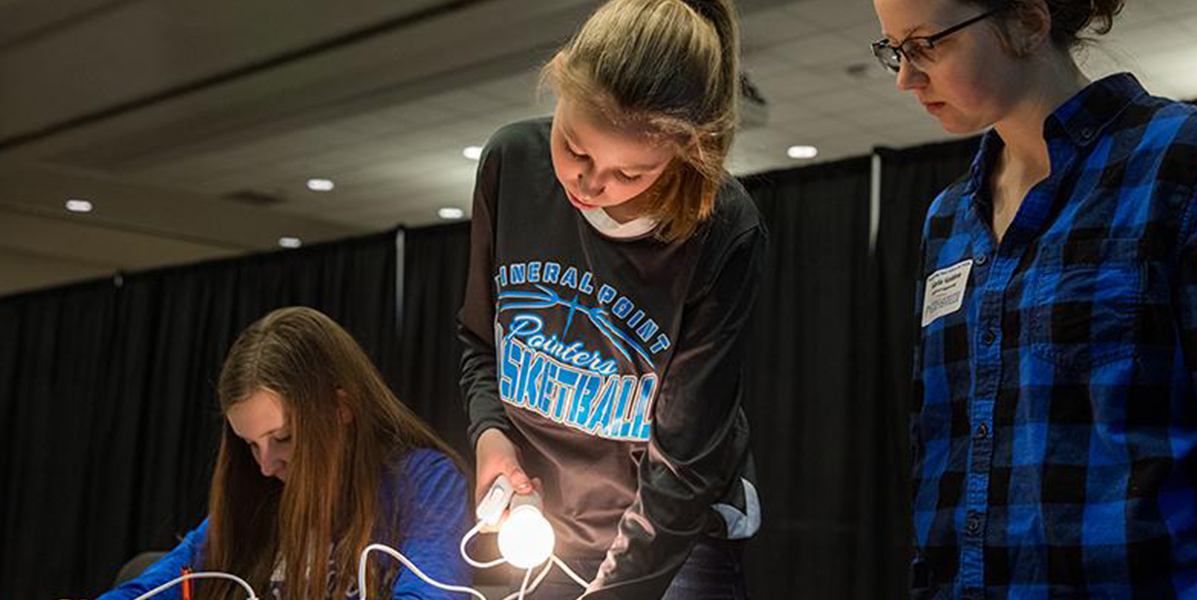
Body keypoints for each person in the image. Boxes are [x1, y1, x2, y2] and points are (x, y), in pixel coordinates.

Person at [871, 0, 1197, 596]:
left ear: (1027, 19)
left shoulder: (1177, 162)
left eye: (925, 45)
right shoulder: (948, 219)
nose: (905, 77)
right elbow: (939, 445)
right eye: (893, 50)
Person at [457, 0, 766, 598]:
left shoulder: (723, 229)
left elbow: (686, 464)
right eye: (575, 147)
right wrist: (491, 434)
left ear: (685, 152)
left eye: (632, 174)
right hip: (544, 527)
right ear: (562, 75)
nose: (592, 183)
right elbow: (478, 339)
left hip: (674, 540)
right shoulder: (510, 165)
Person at [97, 307, 471, 600]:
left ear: (342, 408)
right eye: (250, 445)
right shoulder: (259, 496)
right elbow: (154, 586)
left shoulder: (424, 483)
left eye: (284, 437)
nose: (265, 466)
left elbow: (431, 594)